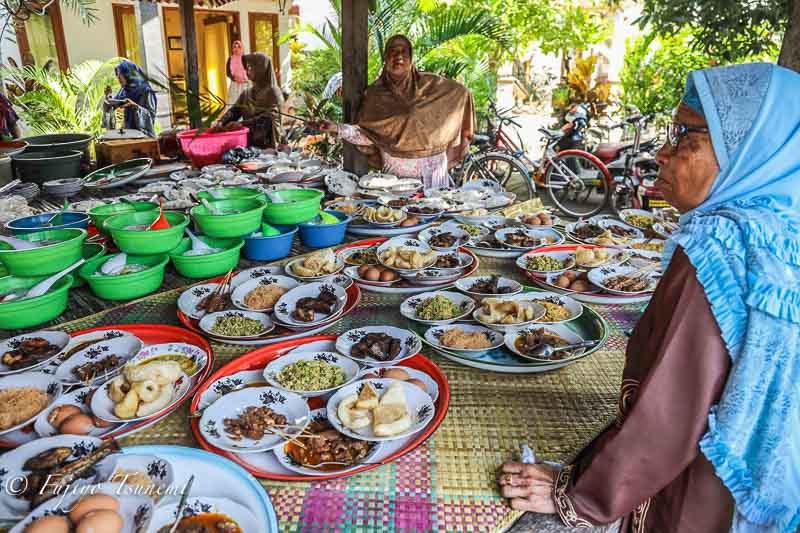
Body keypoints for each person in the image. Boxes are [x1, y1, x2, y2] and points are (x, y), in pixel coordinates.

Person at [498, 62, 800, 533]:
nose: (663, 152)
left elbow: (667, 417)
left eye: (684, 135)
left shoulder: (719, 248)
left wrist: (574, 494)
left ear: (742, 149)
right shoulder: (782, 232)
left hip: (697, 500)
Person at [316, 35, 475, 189]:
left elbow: (462, 93)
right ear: (385, 58)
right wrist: (335, 128)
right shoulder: (374, 95)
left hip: (432, 178)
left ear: (411, 57)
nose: (398, 55)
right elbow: (367, 134)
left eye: (404, 51)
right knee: (394, 216)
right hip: (393, 182)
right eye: (393, 50)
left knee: (433, 215)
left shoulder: (432, 85)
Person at [217, 53, 283, 148]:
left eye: (251, 67)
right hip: (249, 142)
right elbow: (235, 110)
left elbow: (269, 118)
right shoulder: (247, 93)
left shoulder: (273, 92)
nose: (248, 71)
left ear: (261, 69)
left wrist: (241, 124)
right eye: (247, 67)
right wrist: (222, 122)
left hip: (268, 145)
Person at [112, 60, 157, 137]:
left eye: (120, 76)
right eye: (117, 76)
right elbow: (114, 105)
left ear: (128, 75)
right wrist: (108, 97)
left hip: (144, 136)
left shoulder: (146, 91)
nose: (118, 79)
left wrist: (135, 107)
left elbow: (151, 115)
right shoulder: (124, 91)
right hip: (128, 135)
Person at [226, 40, 250, 107]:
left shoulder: (245, 59)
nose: (236, 49)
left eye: (238, 47)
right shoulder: (230, 59)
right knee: (233, 103)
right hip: (234, 84)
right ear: (232, 49)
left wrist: (243, 79)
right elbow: (228, 72)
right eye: (234, 47)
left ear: (241, 48)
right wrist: (235, 78)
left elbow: (249, 71)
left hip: (245, 84)